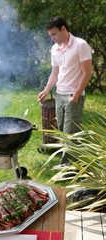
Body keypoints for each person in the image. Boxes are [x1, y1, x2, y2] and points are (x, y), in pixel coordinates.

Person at [38, 16, 92, 165]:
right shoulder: (55, 49)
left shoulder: (80, 45)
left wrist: (75, 95)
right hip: (59, 95)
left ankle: (67, 168)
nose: (52, 38)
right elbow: (55, 73)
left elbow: (87, 73)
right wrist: (46, 89)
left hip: (73, 95)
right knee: (62, 130)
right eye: (50, 36)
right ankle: (77, 160)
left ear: (63, 29)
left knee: (70, 132)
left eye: (54, 34)